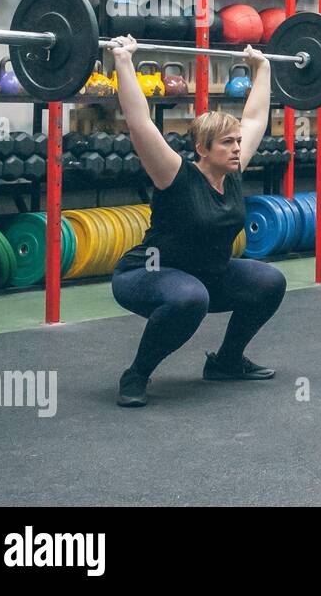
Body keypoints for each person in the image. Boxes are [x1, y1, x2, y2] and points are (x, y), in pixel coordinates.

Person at [109, 36, 287, 407]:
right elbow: (140, 124)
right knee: (192, 297)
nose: (238, 148)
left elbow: (254, 117)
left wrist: (263, 68)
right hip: (149, 274)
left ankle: (226, 362)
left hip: (208, 275)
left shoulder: (233, 172)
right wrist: (124, 61)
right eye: (227, 143)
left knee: (270, 281)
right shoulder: (175, 175)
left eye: (238, 142)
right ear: (203, 149)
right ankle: (136, 374)